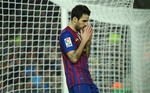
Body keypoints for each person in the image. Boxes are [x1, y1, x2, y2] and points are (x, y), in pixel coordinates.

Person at [59, 5, 99, 93]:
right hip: (77, 80)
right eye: (84, 21)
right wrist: (84, 40)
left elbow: (86, 57)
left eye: (87, 21)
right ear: (74, 19)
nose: (86, 24)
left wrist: (88, 42)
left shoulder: (79, 34)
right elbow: (73, 58)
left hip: (86, 78)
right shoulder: (66, 35)